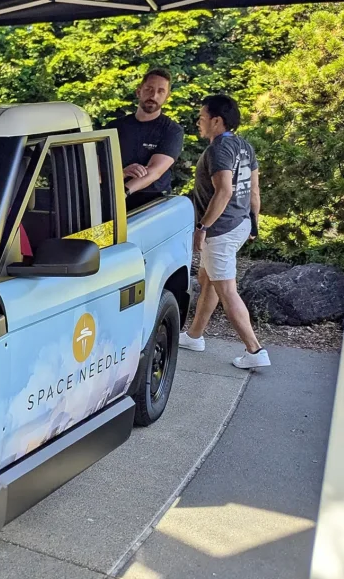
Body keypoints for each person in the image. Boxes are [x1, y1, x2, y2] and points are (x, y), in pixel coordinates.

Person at [179, 94, 269, 369]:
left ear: (216, 121)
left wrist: (202, 227)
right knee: (207, 278)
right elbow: (254, 191)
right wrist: (254, 223)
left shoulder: (218, 150)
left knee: (227, 289)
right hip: (240, 223)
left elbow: (224, 190)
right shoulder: (244, 146)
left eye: (202, 117)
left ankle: (255, 351)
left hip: (221, 229)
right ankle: (194, 335)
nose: (199, 122)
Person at [103, 68, 185, 210]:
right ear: (138, 91)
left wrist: (123, 191)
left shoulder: (172, 130)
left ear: (167, 97)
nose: (153, 95)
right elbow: (99, 169)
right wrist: (121, 173)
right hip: (111, 200)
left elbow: (155, 171)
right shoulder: (114, 127)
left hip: (153, 205)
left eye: (161, 91)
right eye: (149, 89)